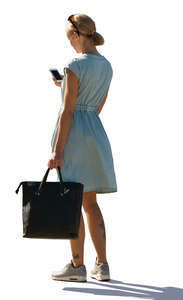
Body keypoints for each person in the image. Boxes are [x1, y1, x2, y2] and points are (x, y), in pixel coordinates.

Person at [48, 14, 117, 282]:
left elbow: (68, 111)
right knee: (91, 203)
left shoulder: (73, 64)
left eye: (70, 38)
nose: (70, 44)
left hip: (74, 137)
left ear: (77, 35)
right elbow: (97, 107)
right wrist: (65, 85)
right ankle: (103, 265)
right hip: (96, 134)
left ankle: (77, 267)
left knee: (73, 202)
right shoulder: (107, 66)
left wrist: (57, 150)